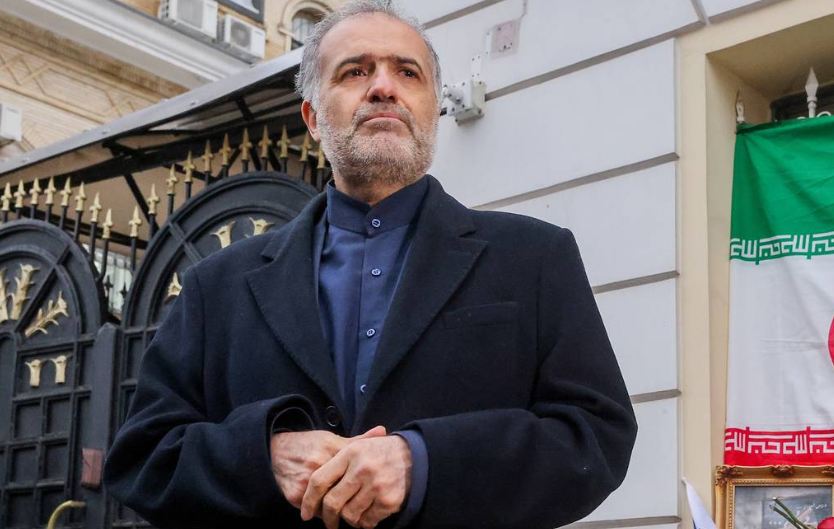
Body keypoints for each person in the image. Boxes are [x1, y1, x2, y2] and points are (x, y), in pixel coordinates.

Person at [102, 1, 638, 528]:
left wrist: (420, 461)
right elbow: (142, 460)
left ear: (433, 108)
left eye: (408, 72)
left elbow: (596, 435)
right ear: (313, 118)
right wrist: (264, 456)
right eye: (355, 71)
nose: (383, 87)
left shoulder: (534, 257)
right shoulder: (216, 286)